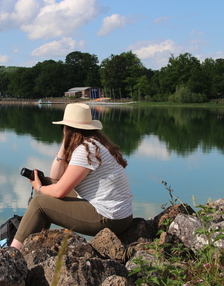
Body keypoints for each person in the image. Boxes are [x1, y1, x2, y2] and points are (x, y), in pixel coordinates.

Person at [10, 103, 133, 250]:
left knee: (39, 203)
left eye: (63, 128)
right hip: (119, 215)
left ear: (67, 128)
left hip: (110, 219)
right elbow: (56, 176)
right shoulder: (91, 144)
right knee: (47, 182)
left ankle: (12, 253)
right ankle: (38, 239)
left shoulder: (85, 150)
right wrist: (64, 144)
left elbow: (59, 191)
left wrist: (39, 188)